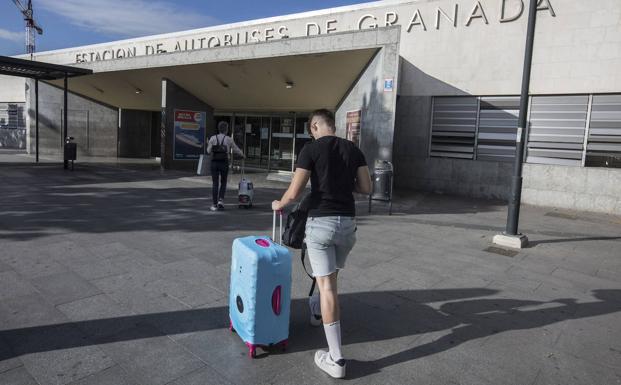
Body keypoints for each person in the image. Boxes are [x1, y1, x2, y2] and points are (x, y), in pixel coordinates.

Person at [272, 109, 371, 379]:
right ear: (333, 125)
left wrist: (278, 204)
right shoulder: (353, 149)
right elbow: (366, 188)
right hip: (347, 224)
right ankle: (317, 310)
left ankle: (336, 358)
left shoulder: (311, 149)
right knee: (330, 280)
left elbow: (294, 192)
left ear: (315, 126)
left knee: (326, 286)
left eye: (312, 129)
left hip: (321, 223)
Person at [207, 121, 244, 211]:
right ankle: (220, 201)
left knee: (215, 183)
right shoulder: (229, 139)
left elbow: (208, 151)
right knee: (223, 182)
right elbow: (235, 149)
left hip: (214, 163)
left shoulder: (212, 138)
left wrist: (208, 143)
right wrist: (242, 154)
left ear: (218, 129)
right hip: (224, 163)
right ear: (226, 130)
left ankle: (214, 205)